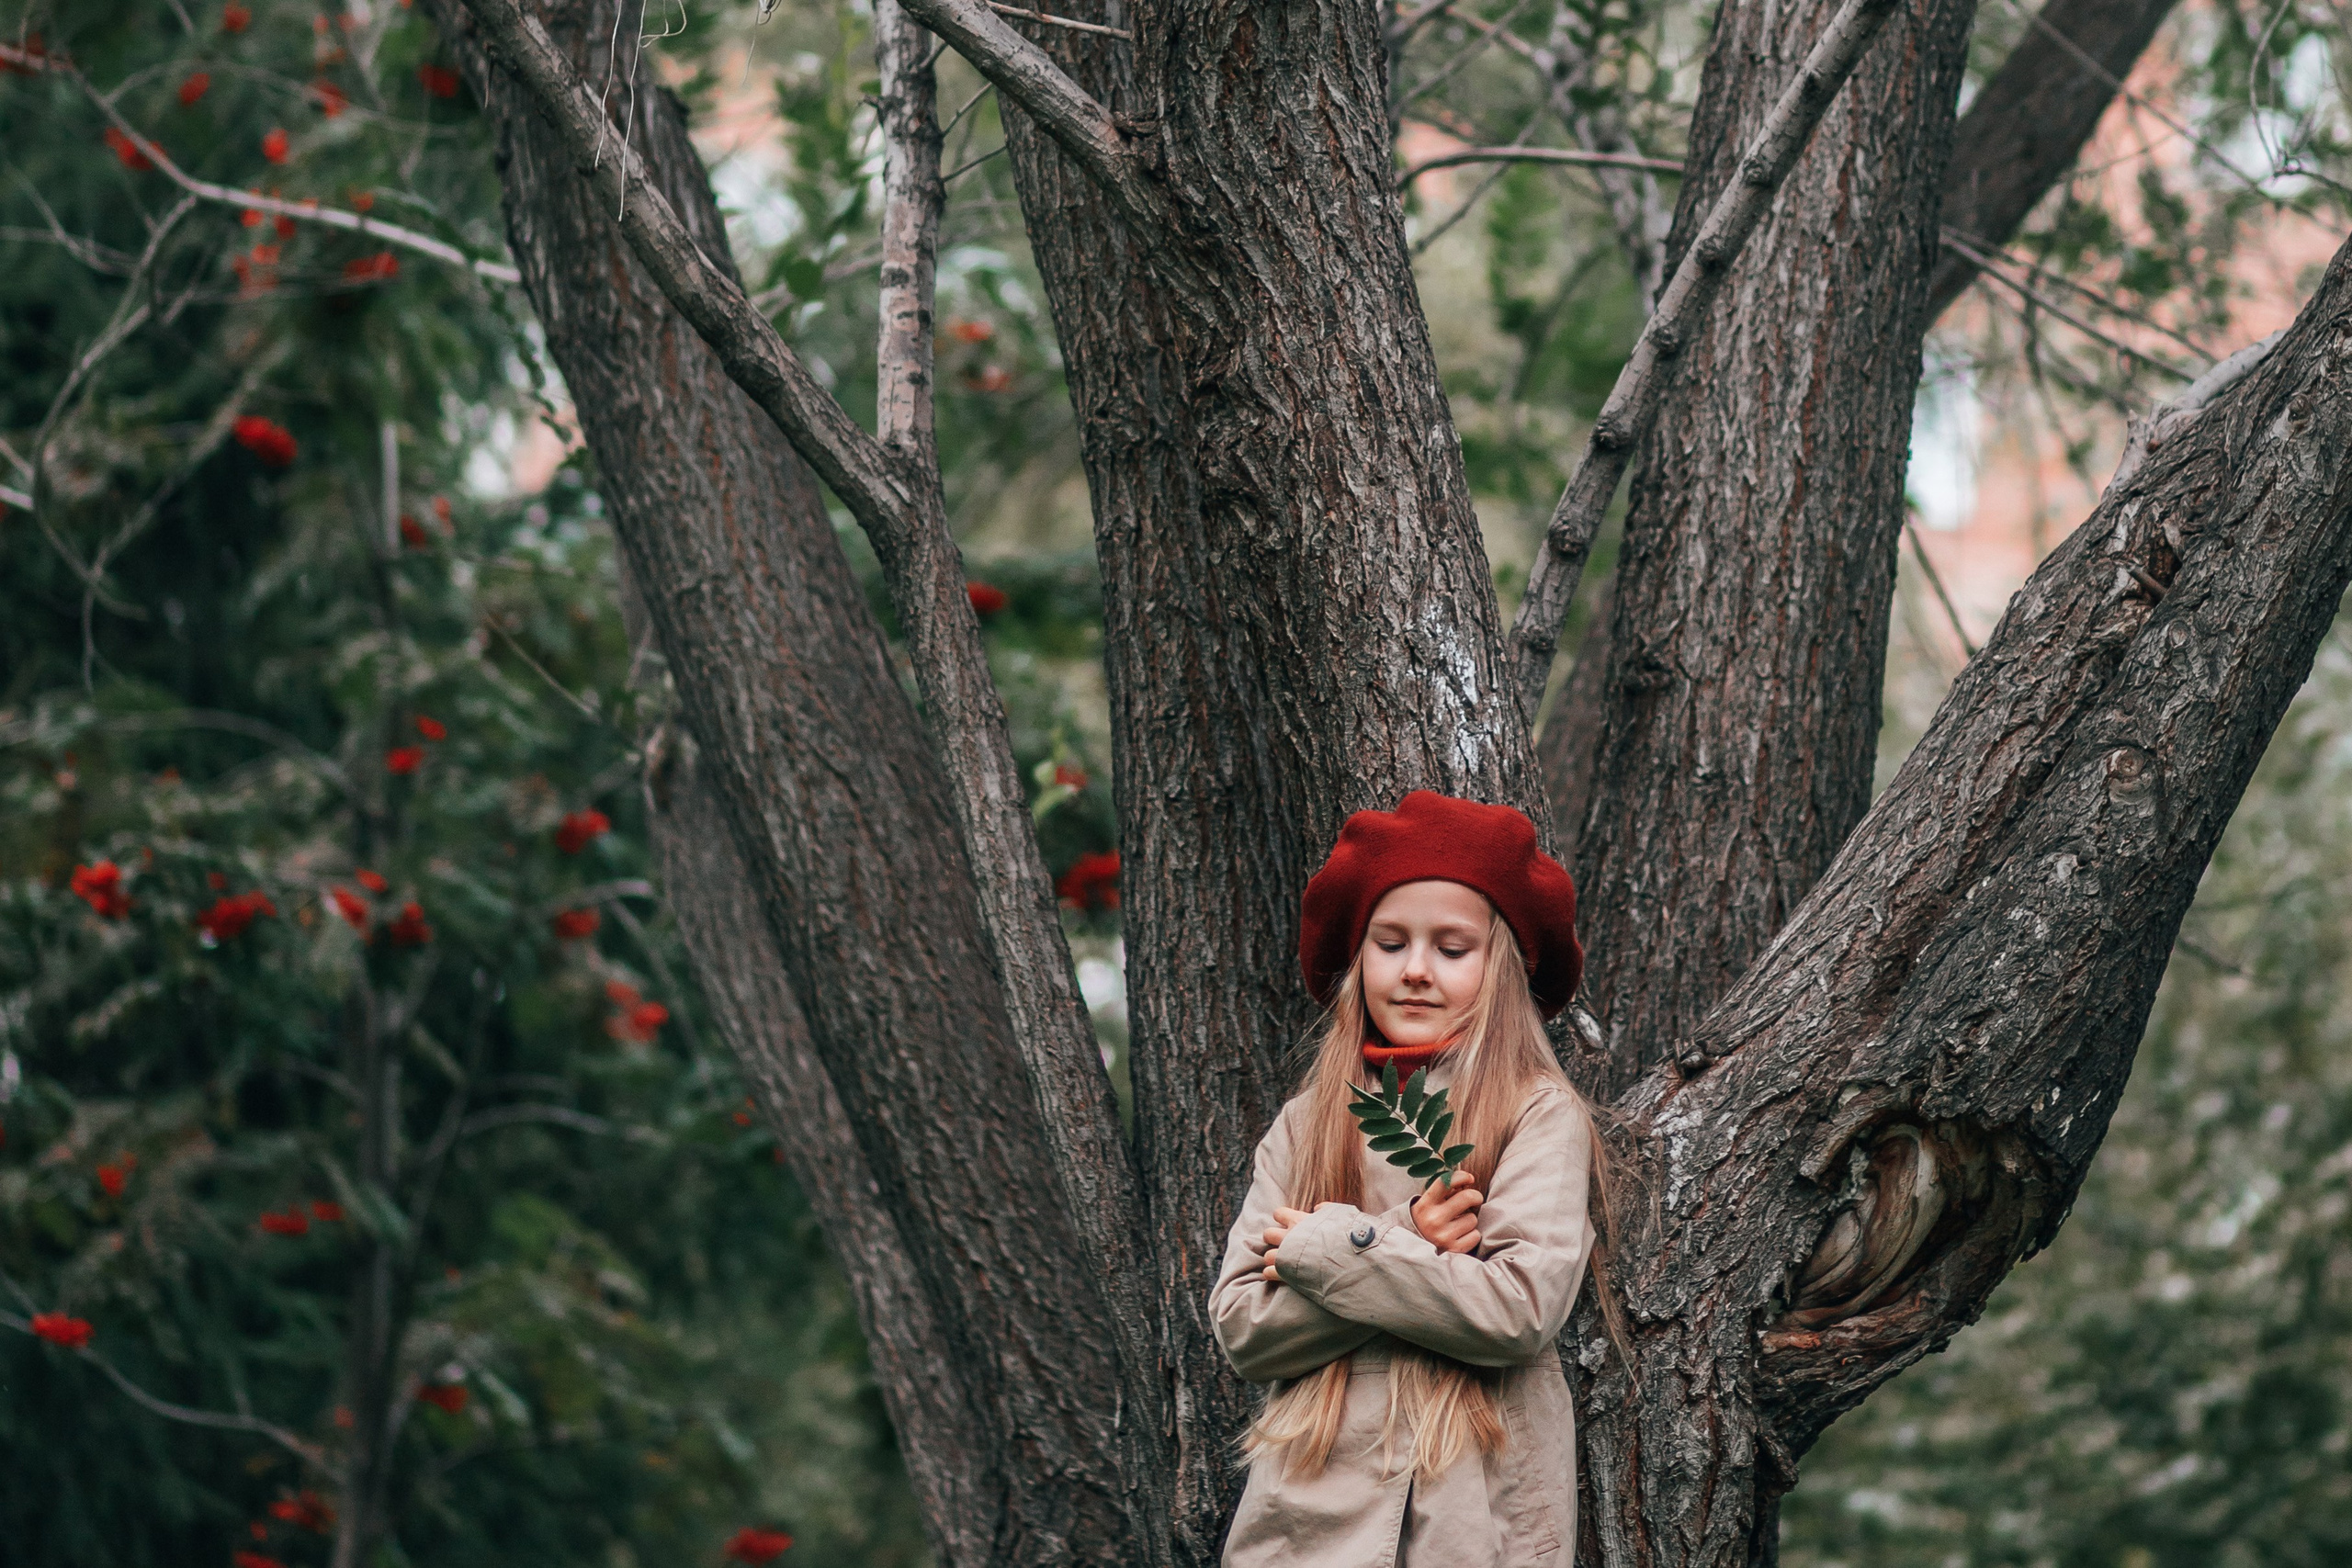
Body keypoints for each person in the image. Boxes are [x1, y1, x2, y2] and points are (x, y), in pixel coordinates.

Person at [1208, 790, 1617, 1567]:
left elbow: (1518, 1308)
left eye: (1452, 949)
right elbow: (1240, 1324)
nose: (1417, 970)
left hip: (1474, 1518)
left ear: (1501, 967)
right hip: (1306, 1523)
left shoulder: (1536, 1111)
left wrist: (1329, 1254)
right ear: (1357, 958)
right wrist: (1402, 1240)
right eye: (1390, 943)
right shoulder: (1308, 1122)